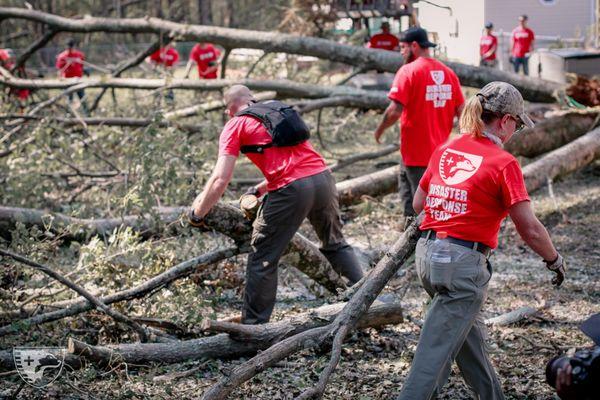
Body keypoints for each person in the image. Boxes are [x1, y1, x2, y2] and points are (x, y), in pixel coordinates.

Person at [398, 81, 566, 400]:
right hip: (462, 266)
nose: (515, 131)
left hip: (428, 257)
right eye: (516, 124)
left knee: (468, 341)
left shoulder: (446, 148)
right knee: (431, 359)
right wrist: (554, 259)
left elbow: (420, 204)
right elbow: (529, 228)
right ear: (504, 121)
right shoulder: (503, 163)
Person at [188, 85, 364, 324]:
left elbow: (220, 179)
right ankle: (365, 301)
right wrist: (260, 189)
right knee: (335, 244)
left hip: (293, 189)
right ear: (252, 99)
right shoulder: (277, 110)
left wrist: (198, 213)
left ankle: (254, 329)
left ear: (229, 110)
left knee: (263, 257)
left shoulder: (235, 124)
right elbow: (294, 159)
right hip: (323, 179)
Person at [373, 26, 464, 222]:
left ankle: (420, 248)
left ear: (414, 46)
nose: (401, 52)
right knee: (413, 203)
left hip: (417, 156)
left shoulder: (408, 71)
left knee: (421, 212)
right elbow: (462, 111)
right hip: (439, 155)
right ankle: (408, 245)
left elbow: (394, 111)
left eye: (403, 47)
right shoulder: (448, 73)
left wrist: (379, 130)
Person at [55, 38, 87, 112]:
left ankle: (87, 113)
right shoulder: (62, 57)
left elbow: (81, 66)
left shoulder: (79, 55)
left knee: (82, 98)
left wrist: (84, 71)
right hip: (67, 81)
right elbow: (59, 69)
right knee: (69, 99)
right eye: (69, 46)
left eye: (71, 46)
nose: (70, 48)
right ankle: (69, 114)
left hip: (78, 80)